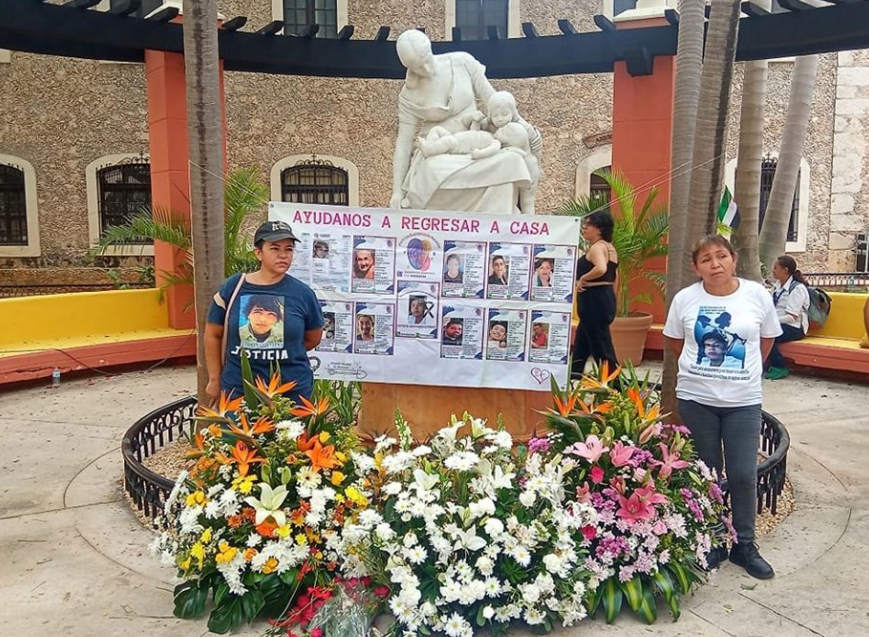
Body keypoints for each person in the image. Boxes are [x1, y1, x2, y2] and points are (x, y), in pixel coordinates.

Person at [663, 234, 781, 580]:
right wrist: (703, 370)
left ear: (733, 259)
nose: (715, 264)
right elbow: (675, 341)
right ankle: (713, 538)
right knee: (707, 473)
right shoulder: (686, 299)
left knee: (743, 473)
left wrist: (743, 371)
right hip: (697, 400)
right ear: (696, 267)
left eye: (721, 256)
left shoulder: (756, 295)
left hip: (743, 402)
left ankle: (744, 545)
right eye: (706, 259)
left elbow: (767, 339)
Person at [389, 29, 540, 214]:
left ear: (430, 50)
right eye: (418, 67)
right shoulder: (408, 95)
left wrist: (523, 125)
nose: (427, 70)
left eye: (427, 60)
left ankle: (501, 221)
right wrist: (397, 192)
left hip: (476, 142)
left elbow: (494, 101)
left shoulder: (462, 62)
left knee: (511, 159)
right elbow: (404, 143)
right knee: (431, 169)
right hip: (438, 151)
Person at [205, 220, 324, 404]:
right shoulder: (233, 287)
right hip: (239, 391)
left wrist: (282, 349)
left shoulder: (303, 294)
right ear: (258, 253)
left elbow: (312, 338)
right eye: (275, 249)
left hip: (291, 395)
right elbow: (213, 334)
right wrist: (214, 379)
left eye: (289, 249)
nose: (283, 255)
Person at [571, 211, 618, 376]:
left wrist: (583, 278)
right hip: (604, 297)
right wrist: (612, 300)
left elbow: (601, 268)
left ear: (599, 229)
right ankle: (574, 375)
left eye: (588, 224)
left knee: (601, 345)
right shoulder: (610, 248)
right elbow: (614, 276)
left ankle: (614, 383)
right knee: (582, 343)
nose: (584, 228)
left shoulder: (597, 247)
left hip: (594, 300)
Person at [766, 255, 810, 380]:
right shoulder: (777, 286)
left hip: (794, 327)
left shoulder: (797, 289)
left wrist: (771, 322)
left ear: (785, 270)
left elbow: (792, 317)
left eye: (776, 267)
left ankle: (779, 366)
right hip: (779, 324)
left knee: (767, 334)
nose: (773, 270)